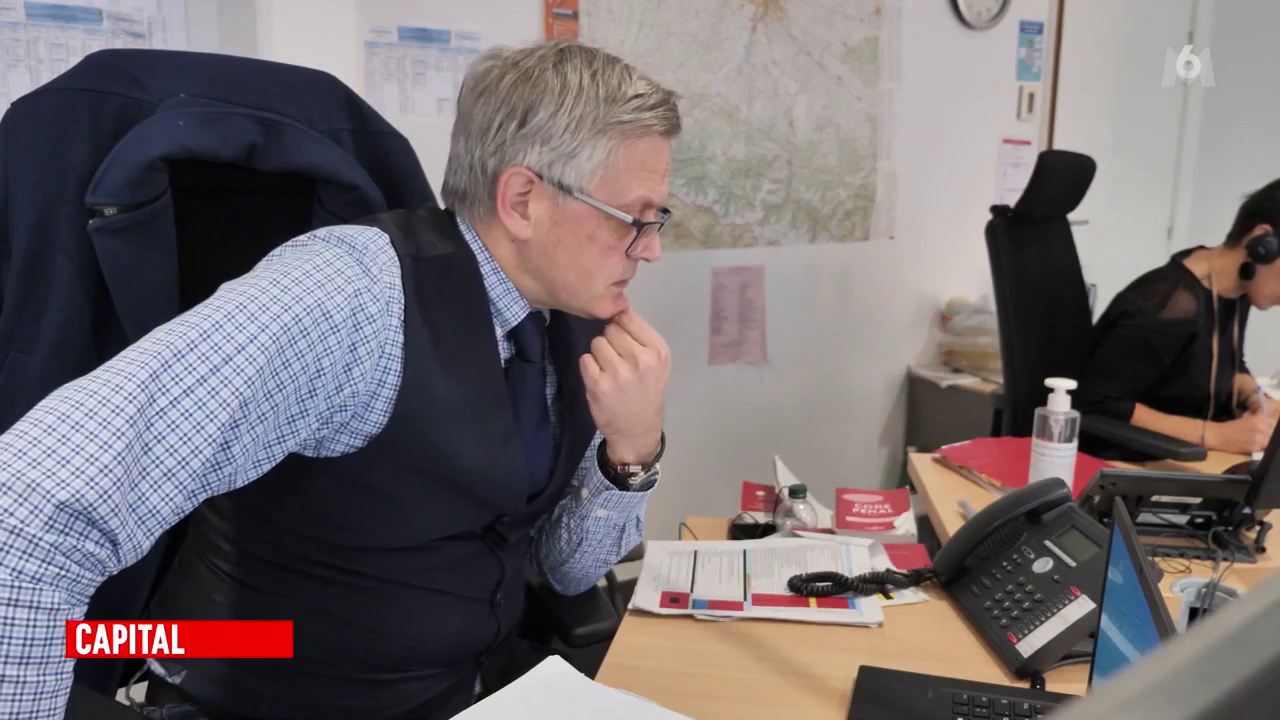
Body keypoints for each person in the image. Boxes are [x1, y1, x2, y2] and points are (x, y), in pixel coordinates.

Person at [0, 40, 680, 720]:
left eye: (658, 220)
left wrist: (632, 449)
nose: (650, 249)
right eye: (634, 219)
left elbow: (566, 571)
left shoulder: (570, 318)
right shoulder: (348, 297)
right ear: (523, 200)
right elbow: (29, 513)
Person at [1078, 179, 1280, 456]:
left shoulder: (1235, 290)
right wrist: (1215, 435)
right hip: (1132, 464)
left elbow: (1227, 364)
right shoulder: (1171, 306)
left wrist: (1259, 400)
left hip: (1193, 463)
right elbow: (1096, 403)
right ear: (1262, 242)